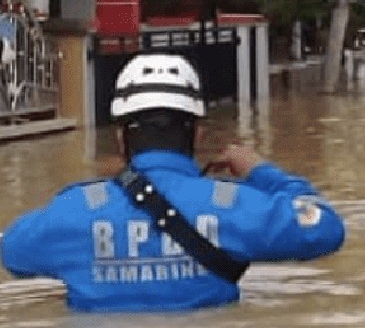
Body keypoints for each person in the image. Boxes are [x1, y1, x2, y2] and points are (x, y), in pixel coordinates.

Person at [0, 53, 344, 312]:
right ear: (197, 135)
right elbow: (324, 227)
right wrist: (262, 172)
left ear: (121, 139)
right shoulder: (233, 203)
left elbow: (13, 254)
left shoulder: (72, 210)